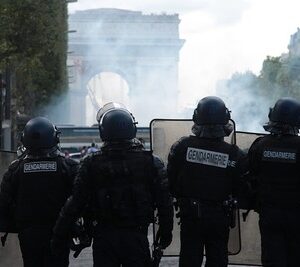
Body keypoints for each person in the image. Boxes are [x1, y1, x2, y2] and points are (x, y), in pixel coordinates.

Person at [51, 102, 174, 267]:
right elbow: (164, 202)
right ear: (132, 129)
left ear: (103, 132)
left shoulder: (90, 163)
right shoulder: (151, 162)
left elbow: (76, 202)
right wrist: (166, 232)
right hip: (136, 236)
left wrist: (60, 233)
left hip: (104, 238)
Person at [167, 96, 247, 267]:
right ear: (225, 119)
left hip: (191, 216)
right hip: (220, 217)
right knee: (218, 259)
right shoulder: (234, 154)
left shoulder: (182, 147)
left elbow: (171, 182)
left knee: (189, 259)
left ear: (197, 118)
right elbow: (241, 188)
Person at [0, 117, 78, 267]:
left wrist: (11, 224)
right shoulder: (68, 166)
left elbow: (4, 201)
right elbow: (80, 198)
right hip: (59, 231)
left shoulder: (15, 168)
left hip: (28, 233)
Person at [247, 97, 300, 267]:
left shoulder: (260, 146)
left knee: (272, 260)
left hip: (269, 213)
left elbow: (250, 176)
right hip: (296, 214)